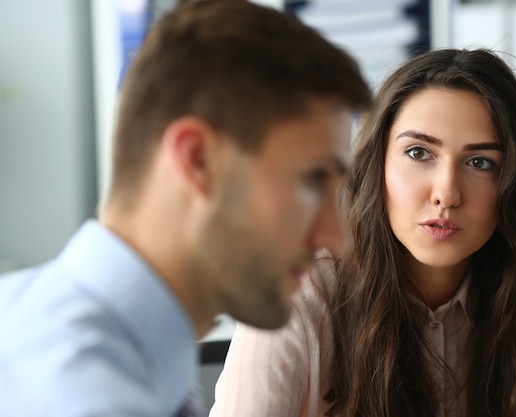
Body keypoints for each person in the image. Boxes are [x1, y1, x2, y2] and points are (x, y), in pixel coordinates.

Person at [0, 1, 371, 416]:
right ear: (197, 160)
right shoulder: (94, 399)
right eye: (314, 180)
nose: (337, 239)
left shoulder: (34, 322)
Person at [209, 48, 516, 417]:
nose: (446, 194)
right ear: (377, 163)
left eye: (480, 162)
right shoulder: (297, 288)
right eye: (418, 153)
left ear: (514, 182)